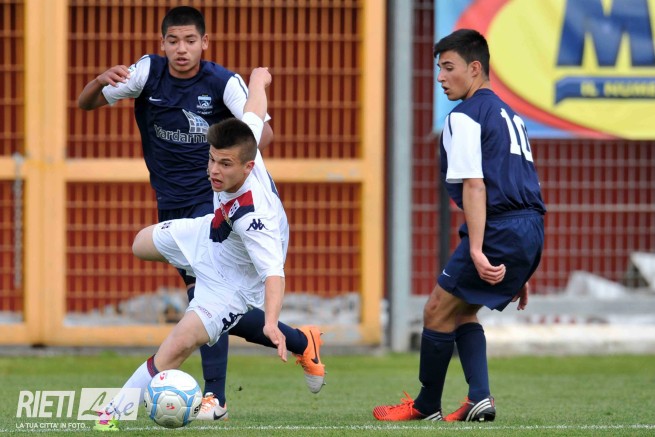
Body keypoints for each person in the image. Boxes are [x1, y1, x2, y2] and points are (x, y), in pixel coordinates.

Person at [78, 6, 324, 422]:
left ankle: (210, 398)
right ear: (162, 43)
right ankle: (303, 341)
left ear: (204, 43)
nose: (181, 49)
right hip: (188, 213)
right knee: (140, 245)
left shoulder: (254, 216)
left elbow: (273, 272)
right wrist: (259, 80)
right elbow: (254, 118)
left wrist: (271, 321)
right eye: (173, 40)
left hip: (222, 229)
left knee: (195, 314)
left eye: (190, 40)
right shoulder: (149, 76)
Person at [373, 28, 546, 422]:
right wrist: (519, 266)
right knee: (463, 312)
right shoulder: (510, 114)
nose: (440, 77)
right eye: (439, 68)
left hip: (500, 227)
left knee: (436, 310)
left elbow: (475, 185)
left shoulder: (465, 116)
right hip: (528, 229)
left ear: (475, 68)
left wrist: (477, 249)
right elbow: (522, 184)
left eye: (448, 67)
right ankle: (479, 398)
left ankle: (425, 406)